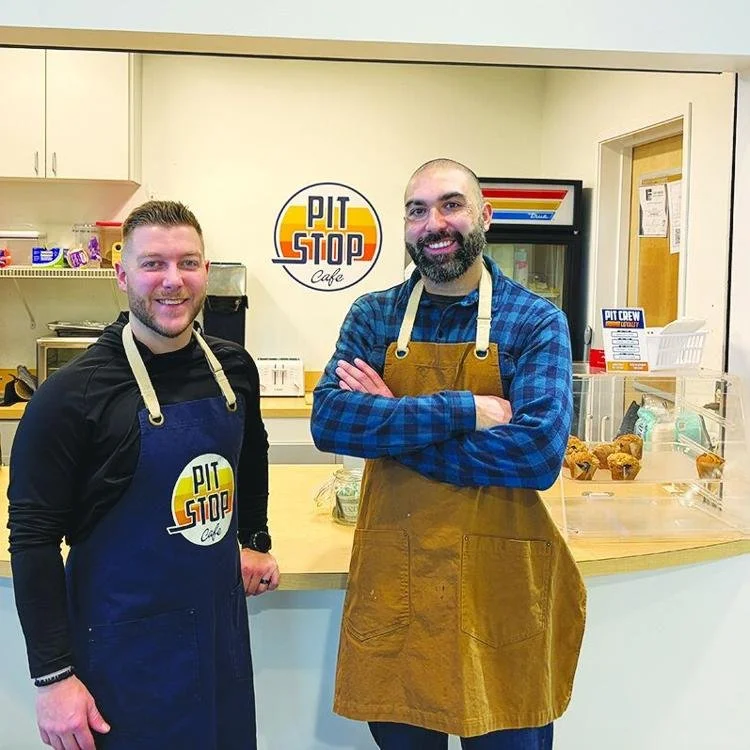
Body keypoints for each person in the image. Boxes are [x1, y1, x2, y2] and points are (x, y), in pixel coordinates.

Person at [311, 159, 586, 749]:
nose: (435, 223)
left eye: (451, 204)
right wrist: (464, 410)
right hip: (397, 590)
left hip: (501, 594)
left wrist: (392, 430)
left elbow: (536, 456)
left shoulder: (535, 321)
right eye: (417, 210)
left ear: (484, 215)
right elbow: (331, 420)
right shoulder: (375, 315)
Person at [8, 200, 278, 750]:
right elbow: (32, 540)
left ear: (205, 270)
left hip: (219, 638)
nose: (172, 281)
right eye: (153, 264)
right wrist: (53, 678)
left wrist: (253, 537)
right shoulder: (71, 395)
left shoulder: (234, 368)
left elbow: (251, 455)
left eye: (188, 262)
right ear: (122, 273)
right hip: (124, 655)